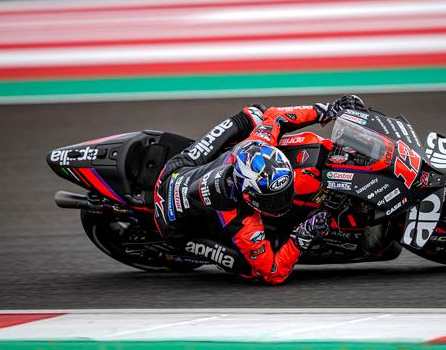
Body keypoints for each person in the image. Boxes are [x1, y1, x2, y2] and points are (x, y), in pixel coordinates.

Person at [153, 95, 365, 284]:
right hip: (173, 225)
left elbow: (275, 116)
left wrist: (328, 109)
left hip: (181, 171)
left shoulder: (260, 142)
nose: (284, 200)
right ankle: (188, 247)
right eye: (274, 199)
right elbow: (274, 272)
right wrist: (304, 234)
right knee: (254, 270)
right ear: (249, 197)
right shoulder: (243, 224)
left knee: (254, 113)